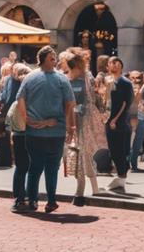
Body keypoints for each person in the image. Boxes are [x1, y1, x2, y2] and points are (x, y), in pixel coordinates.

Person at [16, 46, 76, 213]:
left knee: (35, 167)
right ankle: (49, 200)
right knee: (50, 168)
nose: (55, 58)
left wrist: (26, 118)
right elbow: (70, 103)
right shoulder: (61, 79)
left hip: (36, 131)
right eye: (52, 56)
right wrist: (63, 122)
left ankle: (34, 200)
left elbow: (20, 99)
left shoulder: (30, 77)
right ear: (43, 59)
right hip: (54, 131)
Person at [65, 50, 106, 207]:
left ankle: (80, 191)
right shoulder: (71, 79)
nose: (70, 72)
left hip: (84, 120)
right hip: (74, 119)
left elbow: (89, 101)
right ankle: (93, 188)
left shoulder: (86, 79)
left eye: (71, 69)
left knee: (82, 154)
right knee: (83, 154)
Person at [5, 63, 31, 211]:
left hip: (20, 134)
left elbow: (8, 121)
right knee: (25, 167)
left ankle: (21, 196)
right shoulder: (24, 100)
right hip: (26, 133)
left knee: (22, 167)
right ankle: (22, 196)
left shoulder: (17, 101)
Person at [105, 56, 133, 191]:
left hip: (119, 121)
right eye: (111, 63)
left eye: (116, 63)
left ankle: (122, 176)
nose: (113, 65)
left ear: (121, 66)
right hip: (108, 119)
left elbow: (126, 103)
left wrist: (115, 119)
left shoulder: (125, 82)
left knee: (120, 149)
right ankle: (120, 176)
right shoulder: (108, 81)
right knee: (113, 149)